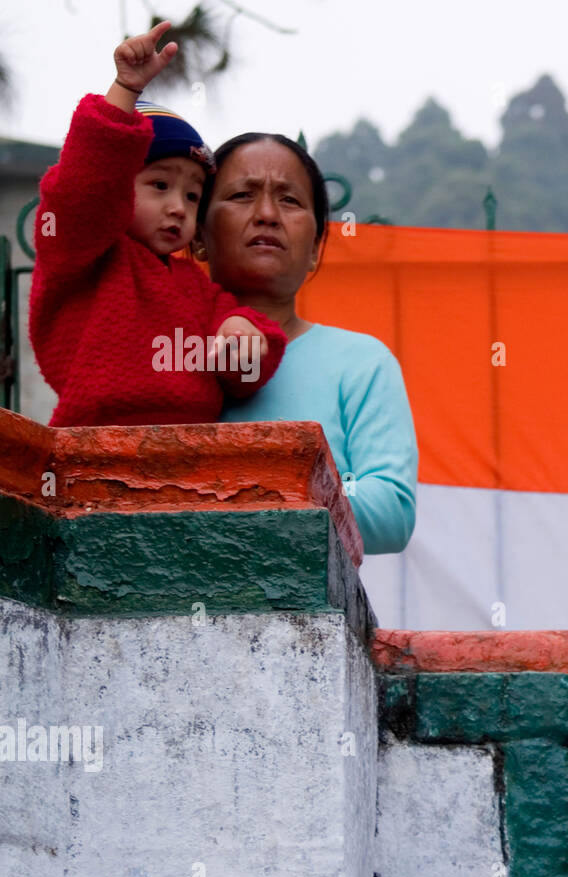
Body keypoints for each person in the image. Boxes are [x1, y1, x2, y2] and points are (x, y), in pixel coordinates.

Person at [29, 21, 284, 427]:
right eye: (160, 184)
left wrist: (243, 336)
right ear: (117, 184)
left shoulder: (196, 286)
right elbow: (83, 190)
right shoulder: (81, 251)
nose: (178, 208)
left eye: (192, 195)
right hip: (93, 442)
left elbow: (244, 375)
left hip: (194, 454)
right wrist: (125, 91)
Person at [195, 132, 418, 555]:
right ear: (197, 234)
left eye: (290, 201)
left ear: (316, 249)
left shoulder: (361, 363)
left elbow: (392, 512)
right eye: (242, 195)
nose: (266, 214)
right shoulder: (166, 353)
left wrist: (257, 497)